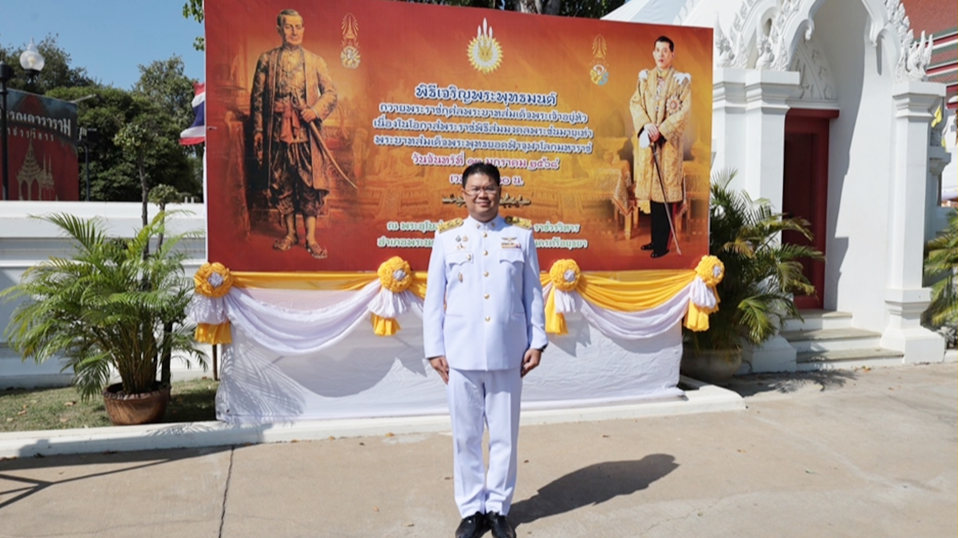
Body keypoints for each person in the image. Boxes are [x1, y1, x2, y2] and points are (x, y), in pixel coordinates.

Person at [423, 162, 548, 538]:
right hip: (460, 354)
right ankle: (471, 509)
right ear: (463, 194)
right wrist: (434, 349)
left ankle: (497, 508)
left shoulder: (520, 237)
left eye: (489, 188)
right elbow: (433, 300)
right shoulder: (447, 239)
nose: (482, 194)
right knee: (465, 435)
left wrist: (537, 340)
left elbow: (534, 294)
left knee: (504, 436)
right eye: (475, 188)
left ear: (500, 192)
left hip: (508, 352)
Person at [251, 8, 338, 259]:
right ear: (279, 30)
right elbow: (257, 99)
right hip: (276, 134)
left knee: (309, 184)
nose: (294, 32)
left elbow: (331, 93)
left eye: (298, 26)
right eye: (288, 27)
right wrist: (258, 129)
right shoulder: (267, 60)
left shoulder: (315, 61)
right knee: (281, 182)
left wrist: (315, 110)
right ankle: (290, 233)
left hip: (306, 136)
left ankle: (311, 238)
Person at [630, 35, 692, 258]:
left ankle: (662, 245)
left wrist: (662, 130)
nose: (661, 54)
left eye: (665, 50)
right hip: (650, 143)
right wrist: (647, 126)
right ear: (653, 53)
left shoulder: (681, 82)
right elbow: (635, 102)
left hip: (669, 146)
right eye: (658, 50)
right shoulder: (645, 79)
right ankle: (655, 240)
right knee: (653, 197)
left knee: (665, 195)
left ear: (672, 54)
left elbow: (684, 113)